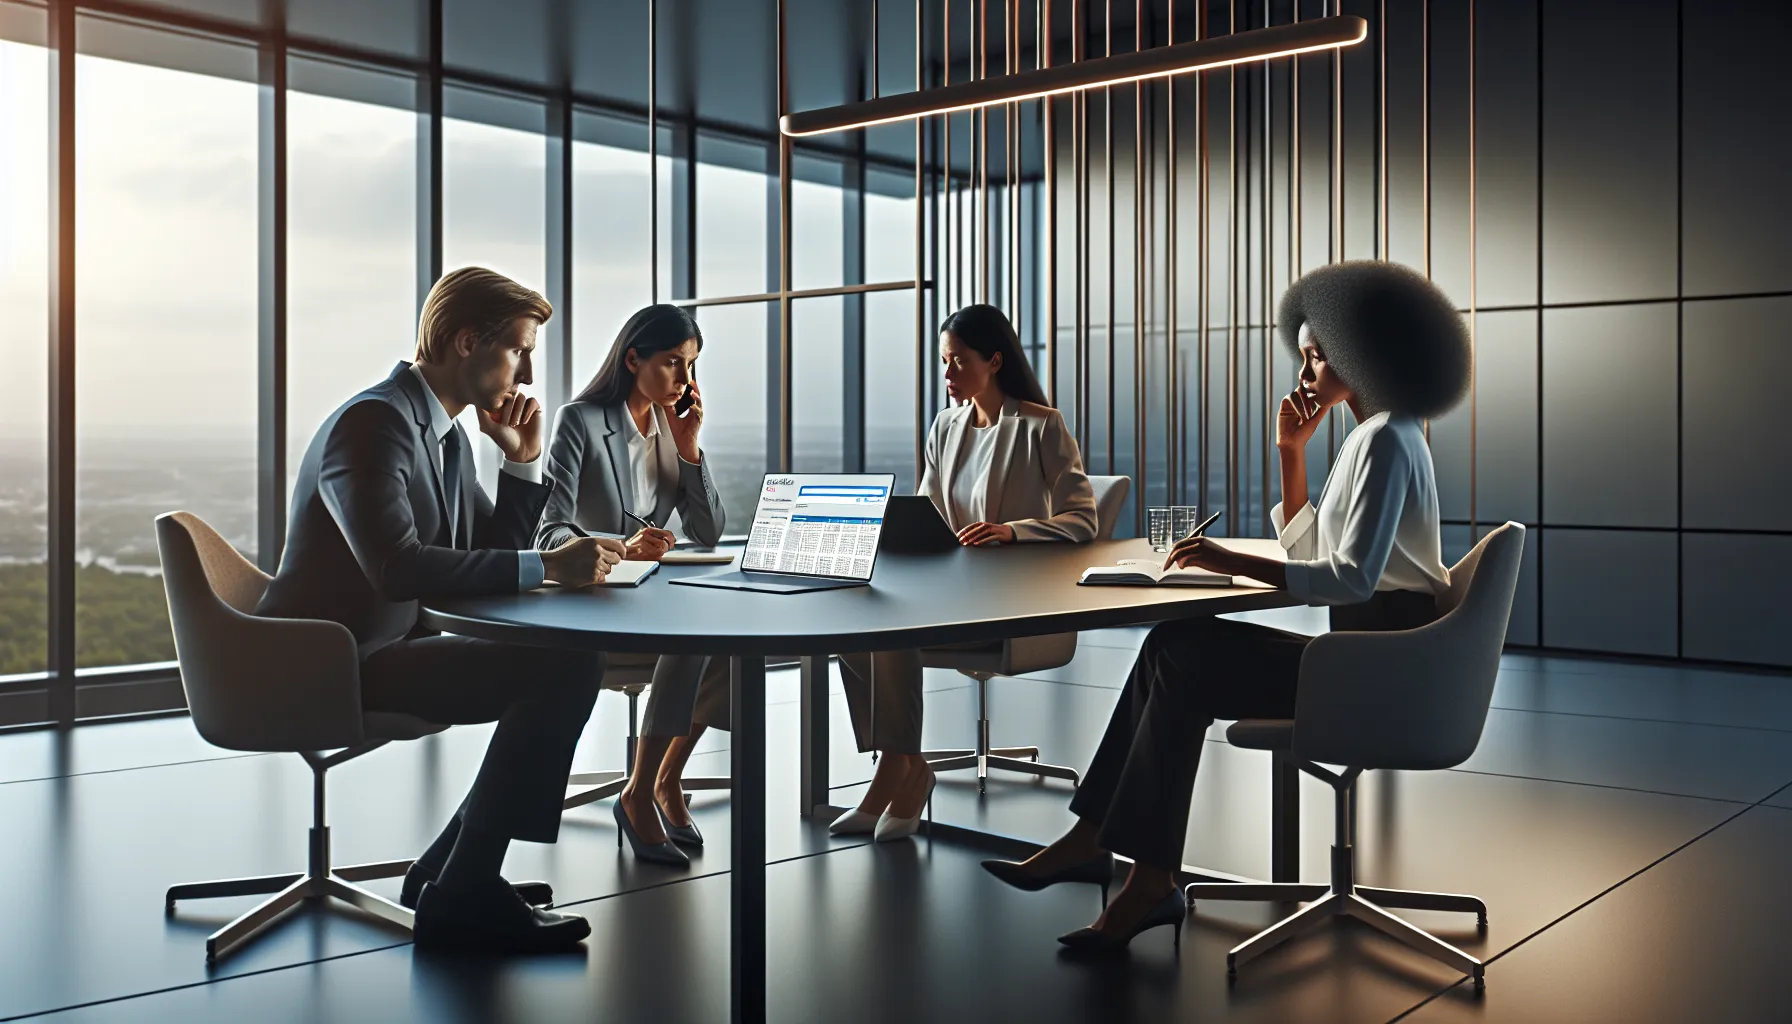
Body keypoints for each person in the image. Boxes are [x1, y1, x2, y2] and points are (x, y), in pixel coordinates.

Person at [982, 260, 1473, 952]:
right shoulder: (1377, 435)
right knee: (1170, 645)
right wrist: (1291, 455)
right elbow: (1314, 557)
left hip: (1379, 668)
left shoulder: (1389, 440)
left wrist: (1227, 559)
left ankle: (1140, 875)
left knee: (1184, 656)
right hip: (1367, 655)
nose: (1304, 371)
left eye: (1317, 354)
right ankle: (1103, 845)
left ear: (1363, 352)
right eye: (1302, 354)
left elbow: (1353, 578)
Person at [258, 267, 627, 953]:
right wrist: (548, 566)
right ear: (466, 342)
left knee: (565, 659)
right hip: (327, 664)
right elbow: (397, 567)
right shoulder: (374, 424)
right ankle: (464, 886)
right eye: (519, 348)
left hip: (379, 651)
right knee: (565, 664)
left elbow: (484, 562)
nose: (526, 369)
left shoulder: (446, 437)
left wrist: (521, 464)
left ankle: (449, 872)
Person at [827, 304, 1098, 842]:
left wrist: (1013, 530)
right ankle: (900, 768)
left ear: (994, 361)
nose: (947, 375)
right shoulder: (945, 425)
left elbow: (1083, 518)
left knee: (893, 635)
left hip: (1011, 599)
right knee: (856, 631)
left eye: (958, 362)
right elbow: (930, 509)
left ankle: (898, 774)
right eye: (943, 363)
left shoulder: (1041, 427)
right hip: (946, 592)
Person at [537, 304, 729, 865]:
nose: (684, 380)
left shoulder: (673, 427)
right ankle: (642, 794)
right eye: (673, 364)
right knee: (692, 636)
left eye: (691, 367)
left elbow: (707, 529)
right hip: (595, 599)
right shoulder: (580, 421)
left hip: (652, 597)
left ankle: (660, 782)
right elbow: (548, 530)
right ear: (632, 359)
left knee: (733, 636)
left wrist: (690, 447)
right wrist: (621, 546)